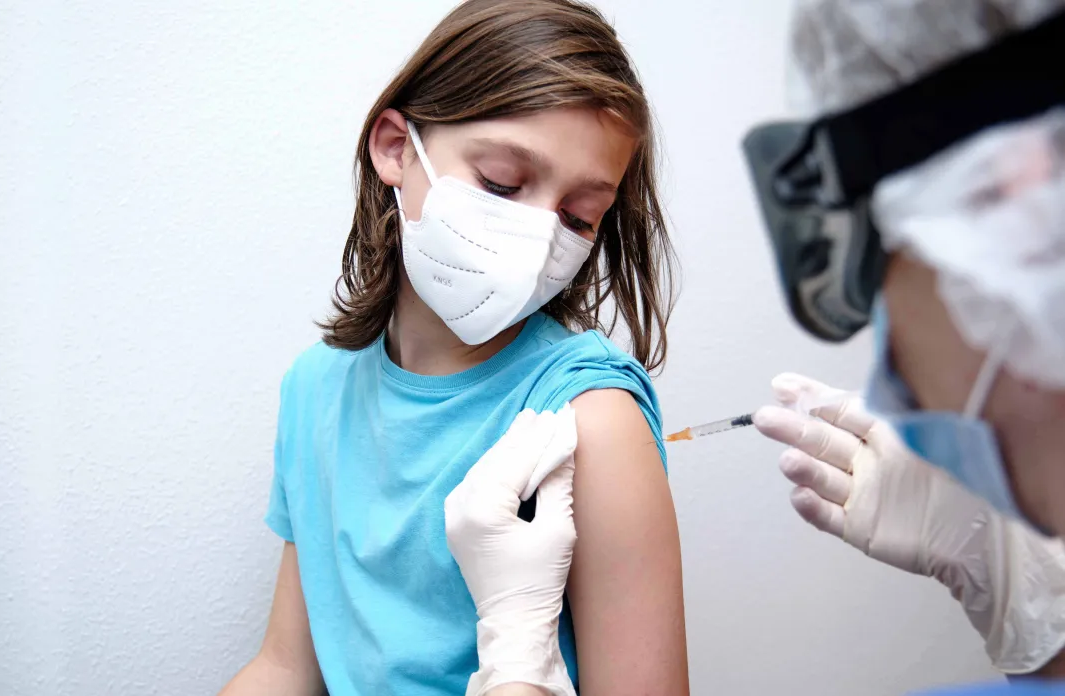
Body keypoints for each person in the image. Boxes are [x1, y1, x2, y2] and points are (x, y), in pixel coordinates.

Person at [443, 0, 1065, 693]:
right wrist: (1029, 602)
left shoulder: (596, 404)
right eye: (501, 185)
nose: (894, 389)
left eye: (888, 276)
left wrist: (517, 653)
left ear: (1018, 199)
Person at [218, 1, 689, 695]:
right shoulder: (317, 388)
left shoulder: (589, 420)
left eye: (578, 216)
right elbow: (288, 666)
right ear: (395, 148)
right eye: (502, 182)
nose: (537, 244)